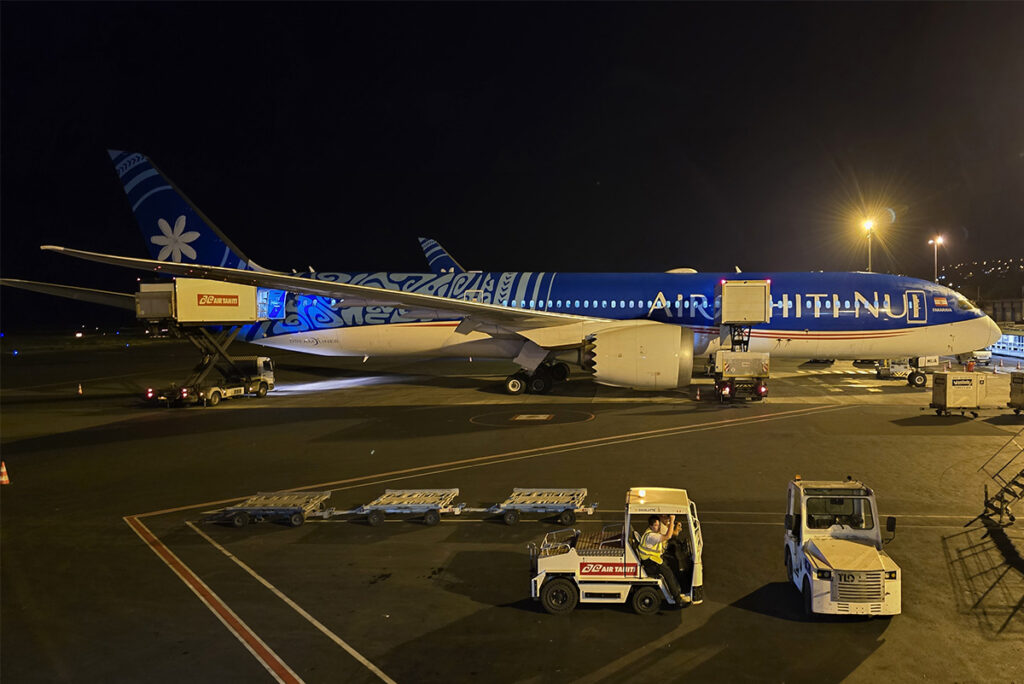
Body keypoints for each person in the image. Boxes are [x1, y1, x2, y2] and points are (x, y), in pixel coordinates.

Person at [637, 514, 685, 606]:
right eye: (655, 525)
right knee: (668, 574)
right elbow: (668, 536)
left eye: (658, 525)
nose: (658, 527)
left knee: (671, 562)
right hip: (651, 563)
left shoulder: (650, 532)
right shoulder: (651, 536)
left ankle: (677, 587)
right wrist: (672, 520)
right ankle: (678, 599)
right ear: (650, 526)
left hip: (652, 559)